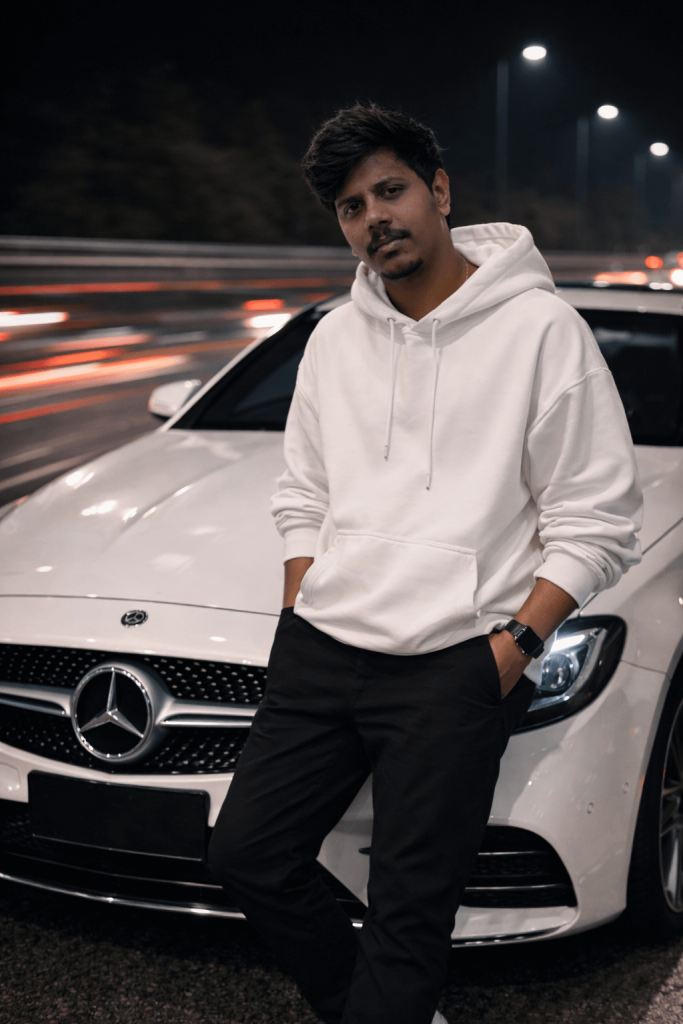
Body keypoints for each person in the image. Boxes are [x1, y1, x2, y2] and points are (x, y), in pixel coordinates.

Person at [209, 103, 643, 1024]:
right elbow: (303, 494)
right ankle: (361, 1004)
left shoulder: (539, 331)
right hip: (322, 653)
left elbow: (596, 518)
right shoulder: (333, 337)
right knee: (247, 855)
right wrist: (301, 604)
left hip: (452, 666)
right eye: (352, 206)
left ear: (439, 191)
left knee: (410, 915)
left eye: (391, 190)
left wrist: (508, 650)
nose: (375, 218)